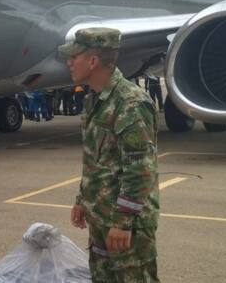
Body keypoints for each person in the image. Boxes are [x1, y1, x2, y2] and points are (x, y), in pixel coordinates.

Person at [60, 27, 160, 283]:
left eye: (74, 57)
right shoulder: (96, 100)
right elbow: (96, 159)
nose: (69, 62)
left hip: (126, 224)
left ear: (92, 61)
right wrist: (83, 198)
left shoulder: (130, 103)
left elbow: (140, 168)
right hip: (102, 217)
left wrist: (124, 222)